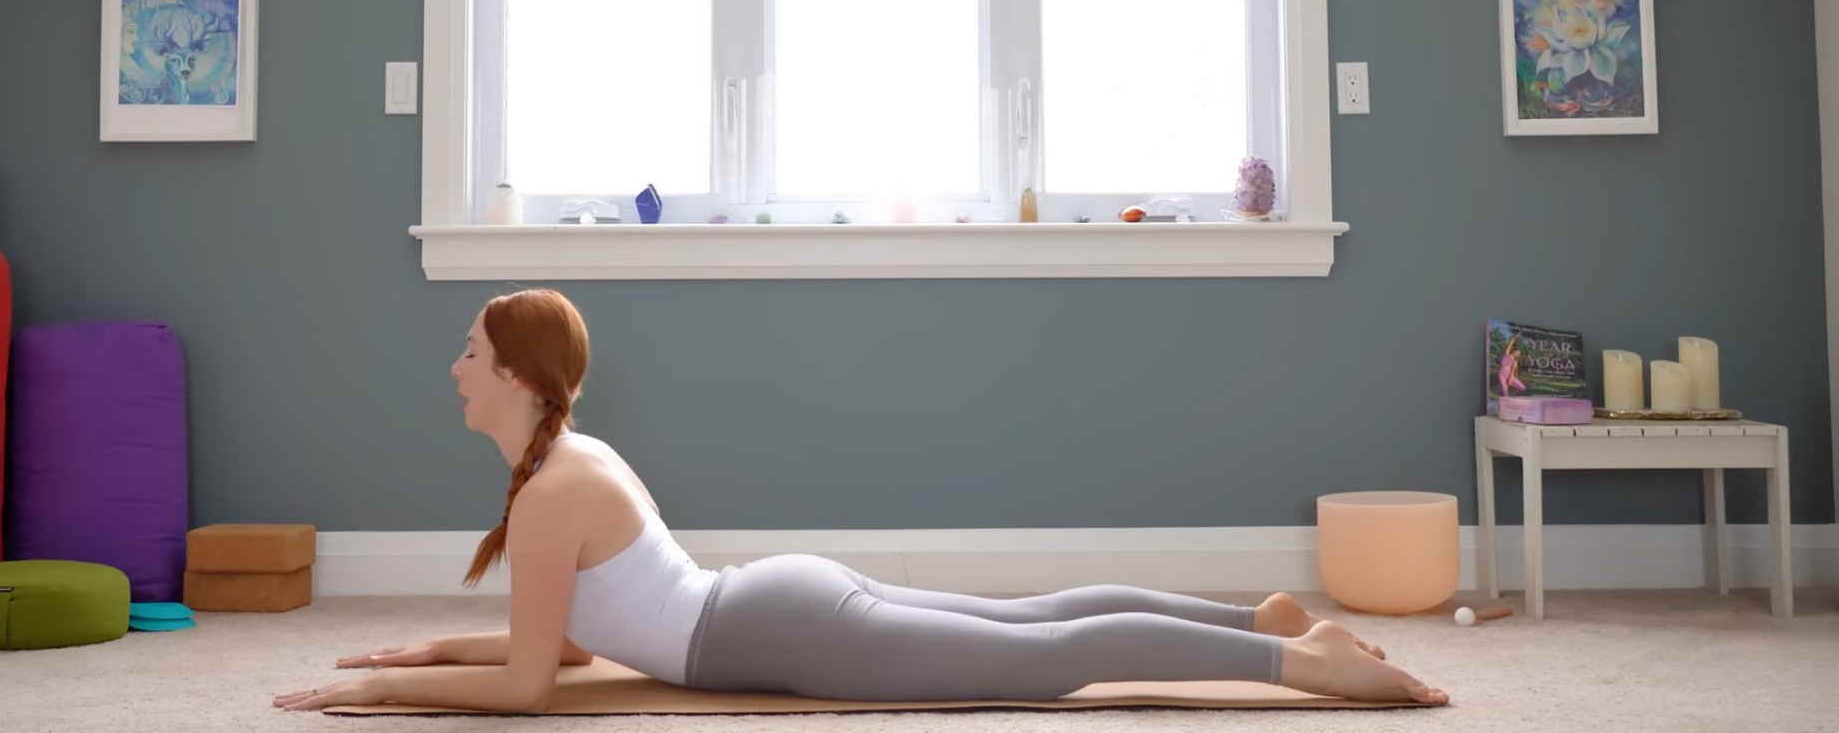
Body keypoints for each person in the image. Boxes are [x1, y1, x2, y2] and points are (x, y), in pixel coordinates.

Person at [274, 289, 1448, 713]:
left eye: (468, 353)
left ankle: (1309, 669)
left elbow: (533, 684)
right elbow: (569, 649)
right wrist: (429, 641)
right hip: (778, 603)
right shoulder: (568, 465)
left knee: (1042, 664)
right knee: (1032, 623)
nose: (453, 369)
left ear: (519, 378)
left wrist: (380, 689)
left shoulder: (546, 493)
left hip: (771, 626)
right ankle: (1264, 621)